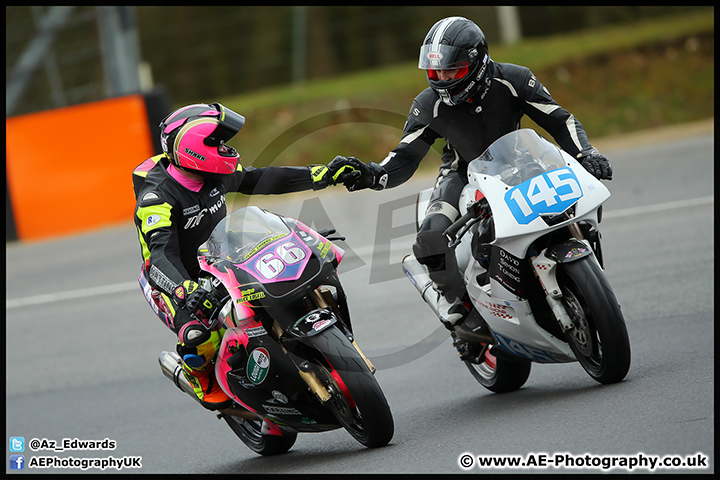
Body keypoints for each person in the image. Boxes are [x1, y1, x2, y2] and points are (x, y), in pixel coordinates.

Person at [329, 16, 612, 329]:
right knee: (432, 236)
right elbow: (405, 157)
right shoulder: (428, 104)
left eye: (453, 70)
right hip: (461, 175)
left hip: (520, 161)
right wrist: (370, 174)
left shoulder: (514, 79)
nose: (443, 79)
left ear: (477, 61)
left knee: (572, 202)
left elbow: (561, 120)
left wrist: (587, 153)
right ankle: (458, 304)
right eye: (436, 71)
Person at [133, 102, 357, 410]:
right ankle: (200, 378)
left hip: (217, 257)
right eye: (217, 143)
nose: (225, 149)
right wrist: (185, 290)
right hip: (172, 279)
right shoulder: (156, 198)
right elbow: (158, 256)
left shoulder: (210, 172)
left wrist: (322, 175)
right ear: (195, 149)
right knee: (198, 335)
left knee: (283, 282)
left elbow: (263, 179)